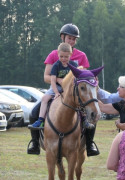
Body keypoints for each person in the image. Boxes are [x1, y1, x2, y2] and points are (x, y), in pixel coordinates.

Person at [27, 23, 99, 157]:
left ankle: (89, 144)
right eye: (69, 38)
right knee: (34, 112)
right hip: (56, 88)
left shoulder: (81, 56)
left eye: (74, 39)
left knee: (91, 114)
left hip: (75, 92)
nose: (71, 41)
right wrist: (61, 81)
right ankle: (35, 143)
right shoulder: (54, 54)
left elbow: (86, 76)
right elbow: (46, 77)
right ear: (62, 37)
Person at [28, 43, 77, 129]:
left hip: (69, 88)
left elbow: (77, 79)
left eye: (66, 57)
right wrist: (56, 92)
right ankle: (40, 120)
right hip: (56, 87)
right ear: (58, 54)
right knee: (44, 99)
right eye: (61, 56)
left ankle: (84, 119)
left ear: (71, 55)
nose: (63, 59)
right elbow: (53, 81)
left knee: (80, 100)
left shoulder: (74, 65)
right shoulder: (56, 65)